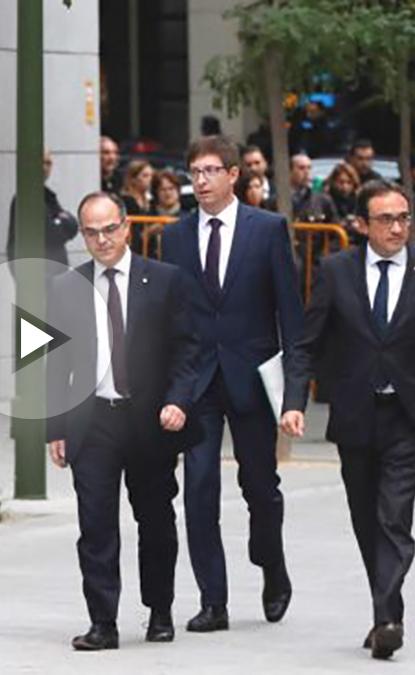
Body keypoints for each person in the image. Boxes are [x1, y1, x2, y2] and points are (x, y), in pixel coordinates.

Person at [279, 180, 415, 660]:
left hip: (409, 414)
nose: (397, 227)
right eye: (386, 219)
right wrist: (293, 402)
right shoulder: (335, 270)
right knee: (365, 519)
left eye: (403, 218)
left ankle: (388, 619)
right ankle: (384, 612)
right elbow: (307, 345)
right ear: (362, 224)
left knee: (393, 516)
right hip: (355, 413)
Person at [160, 135, 304, 633]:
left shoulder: (266, 230)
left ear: (233, 174)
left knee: (260, 487)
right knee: (198, 490)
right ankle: (213, 601)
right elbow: (170, 317)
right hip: (197, 381)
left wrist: (295, 392)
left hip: (251, 376)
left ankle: (273, 567)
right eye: (194, 172)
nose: (200, 181)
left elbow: (290, 313)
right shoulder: (174, 237)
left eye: (210, 171)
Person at [47, 191, 200, 651]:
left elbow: (189, 349)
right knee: (95, 524)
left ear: (127, 227)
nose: (102, 239)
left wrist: (179, 401)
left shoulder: (166, 281)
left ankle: (160, 610)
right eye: (91, 232)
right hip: (92, 420)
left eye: (109, 229)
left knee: (155, 519)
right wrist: (52, 425)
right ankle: (102, 622)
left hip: (151, 419)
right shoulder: (62, 287)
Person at [6, 150, 79, 268]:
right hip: (37, 273)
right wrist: (62, 221)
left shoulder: (46, 196)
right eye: (40, 162)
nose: (44, 167)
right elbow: (51, 234)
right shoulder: (27, 196)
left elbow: (73, 226)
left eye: (48, 163)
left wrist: (62, 222)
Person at [290, 152, 338, 222]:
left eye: (309, 168)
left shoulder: (323, 200)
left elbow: (334, 225)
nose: (306, 172)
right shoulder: (277, 200)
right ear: (290, 171)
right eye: (301, 168)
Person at [325, 162, 364, 243]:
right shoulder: (326, 199)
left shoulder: (359, 199)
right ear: (333, 182)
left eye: (349, 182)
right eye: (341, 182)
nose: (345, 186)